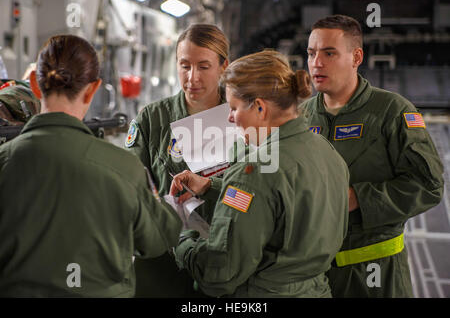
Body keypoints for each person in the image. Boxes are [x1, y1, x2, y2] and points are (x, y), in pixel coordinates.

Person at [0, 35, 182, 297]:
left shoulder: (5, 161)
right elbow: (159, 238)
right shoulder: (124, 167)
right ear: (93, 88)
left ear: (33, 84)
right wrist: (171, 206)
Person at [169, 50, 350, 297]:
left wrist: (182, 239)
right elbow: (281, 204)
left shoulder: (254, 170)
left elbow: (220, 274)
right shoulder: (326, 152)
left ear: (260, 107)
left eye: (233, 108)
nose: (231, 118)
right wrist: (211, 187)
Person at [301, 15, 444, 298]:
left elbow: (429, 185)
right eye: (311, 53)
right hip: (313, 277)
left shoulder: (393, 111)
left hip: (376, 277)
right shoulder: (301, 116)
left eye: (329, 53)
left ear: (356, 57)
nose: (317, 62)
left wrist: (357, 198)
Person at [126, 24, 230, 297]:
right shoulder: (153, 118)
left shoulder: (242, 117)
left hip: (223, 255)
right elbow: (129, 181)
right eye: (184, 66)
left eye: (204, 66)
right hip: (163, 256)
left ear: (223, 66)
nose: (192, 77)